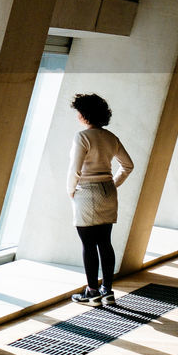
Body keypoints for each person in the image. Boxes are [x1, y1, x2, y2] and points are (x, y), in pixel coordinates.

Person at [67, 92, 133, 308]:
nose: (77, 115)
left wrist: (70, 191)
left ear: (84, 115)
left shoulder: (82, 137)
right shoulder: (111, 137)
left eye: (79, 112)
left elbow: (75, 170)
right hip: (108, 191)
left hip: (86, 191)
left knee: (88, 244)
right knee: (105, 242)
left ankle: (92, 293)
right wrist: (113, 183)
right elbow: (128, 166)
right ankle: (107, 290)